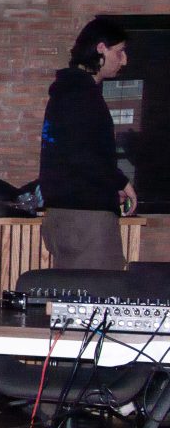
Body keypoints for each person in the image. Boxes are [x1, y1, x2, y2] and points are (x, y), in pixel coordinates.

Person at [39, 17, 137, 270]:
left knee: (76, 301)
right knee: (101, 298)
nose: (124, 60)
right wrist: (120, 181)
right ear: (101, 48)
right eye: (120, 51)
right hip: (86, 218)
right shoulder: (81, 94)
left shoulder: (68, 91)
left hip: (66, 213)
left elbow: (74, 150)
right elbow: (83, 153)